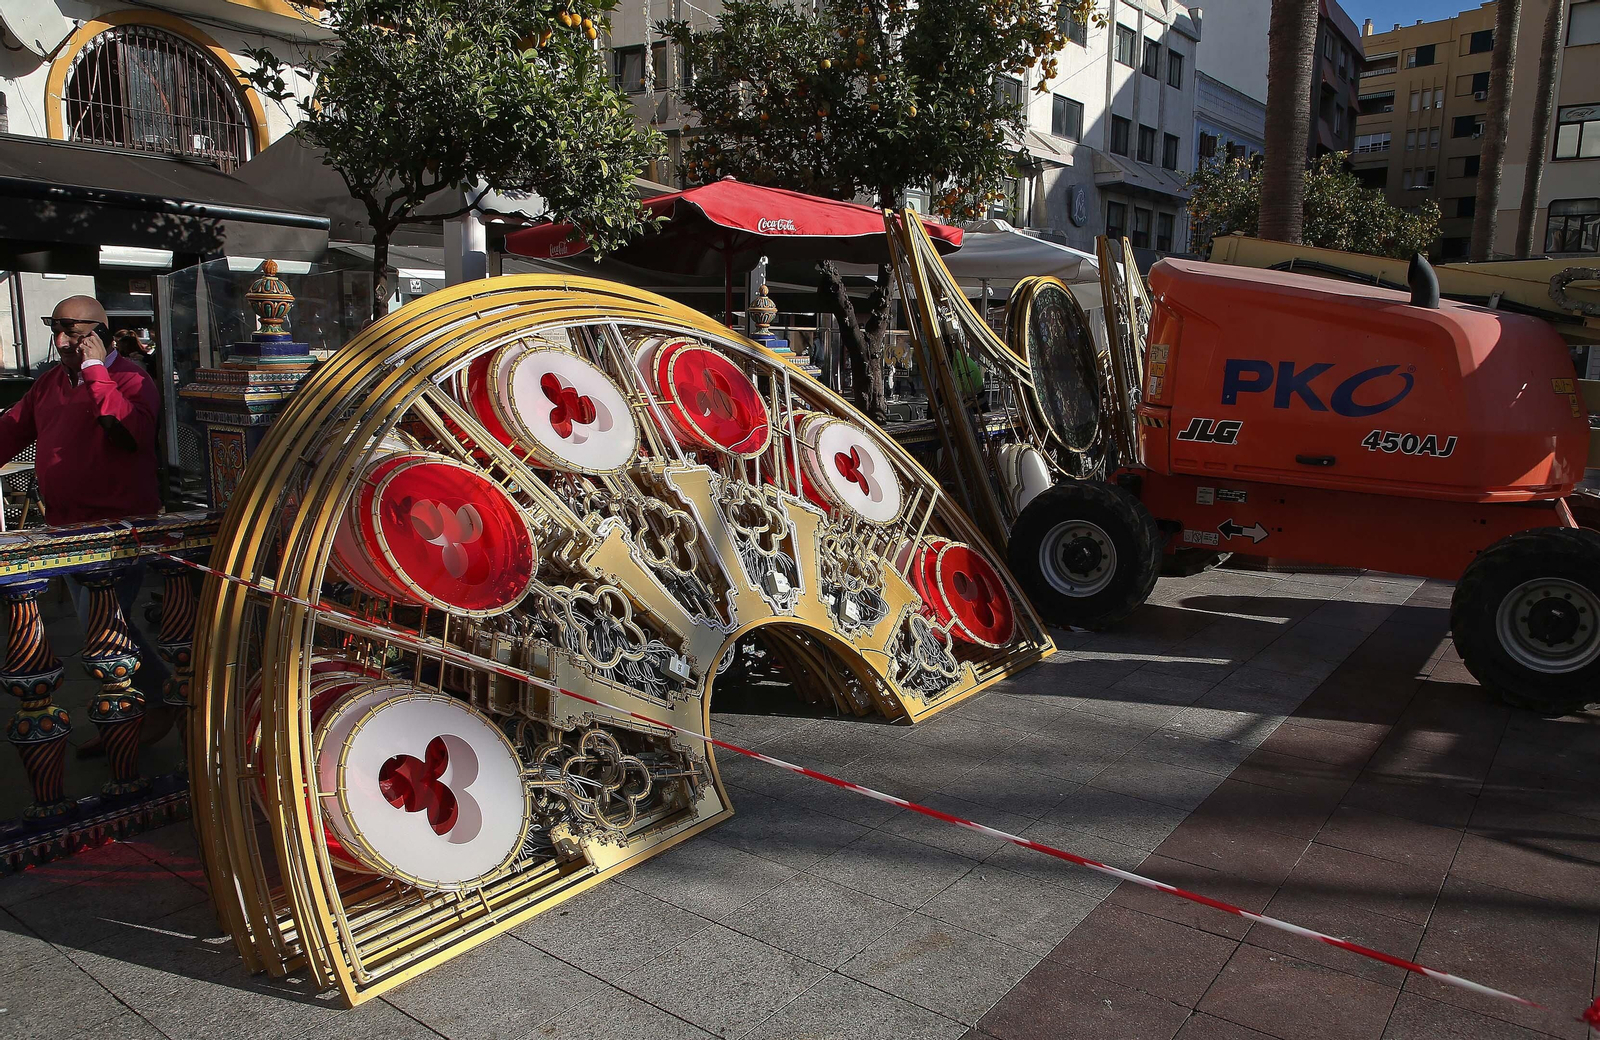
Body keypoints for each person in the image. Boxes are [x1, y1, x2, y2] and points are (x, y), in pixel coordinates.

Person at [0, 296, 172, 750]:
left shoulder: (132, 378)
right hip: (65, 527)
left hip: (116, 530)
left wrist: (97, 373)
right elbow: (11, 432)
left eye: (73, 333)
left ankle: (153, 703)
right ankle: (133, 714)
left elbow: (128, 434)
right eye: (55, 330)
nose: (60, 342)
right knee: (102, 628)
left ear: (101, 334)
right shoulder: (50, 383)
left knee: (105, 628)